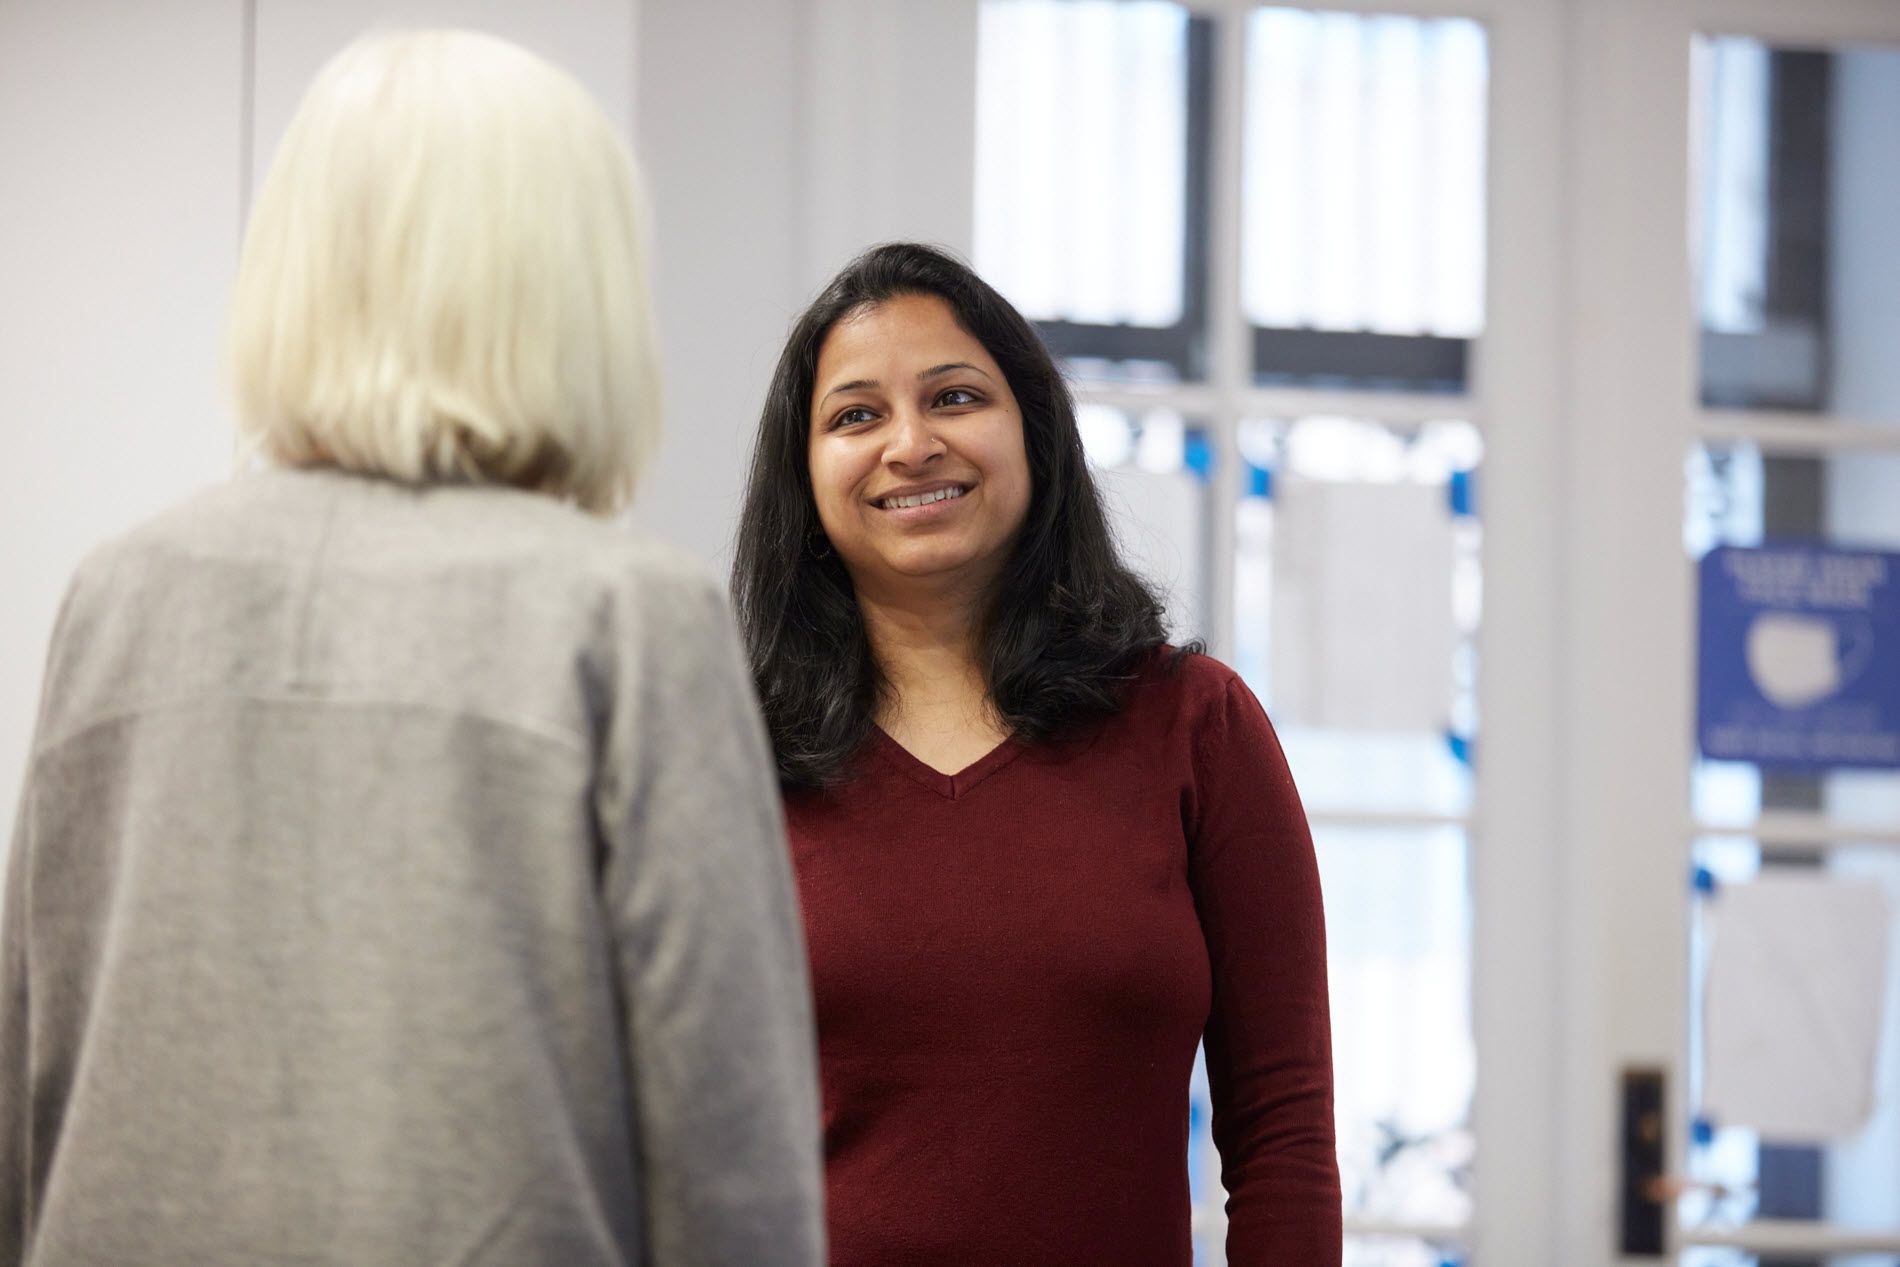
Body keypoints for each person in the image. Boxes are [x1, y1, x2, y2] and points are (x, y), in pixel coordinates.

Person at [0, 31, 823, 1267]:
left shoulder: (119, 596)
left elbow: (28, 1095)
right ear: (573, 290)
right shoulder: (628, 617)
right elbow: (731, 1172)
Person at [732, 241, 1341, 1265]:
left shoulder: (1195, 727)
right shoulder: (731, 759)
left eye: (954, 396)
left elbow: (1283, 1132)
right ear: (806, 479)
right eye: (854, 415)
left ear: (1034, 433)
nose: (909, 443)